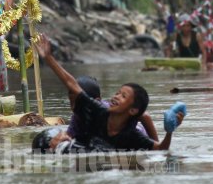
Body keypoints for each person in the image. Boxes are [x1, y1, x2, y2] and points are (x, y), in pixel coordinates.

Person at [34, 33, 186, 152]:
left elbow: (160, 149)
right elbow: (71, 84)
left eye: (123, 96)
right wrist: (48, 58)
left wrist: (169, 132)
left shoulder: (133, 135)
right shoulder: (97, 110)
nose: (115, 97)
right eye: (117, 93)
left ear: (133, 110)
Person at [63, 76, 158, 141]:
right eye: (71, 102)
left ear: (96, 101)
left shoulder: (109, 111)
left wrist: (157, 146)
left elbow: (145, 115)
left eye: (79, 103)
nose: (74, 107)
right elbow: (70, 135)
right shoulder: (77, 115)